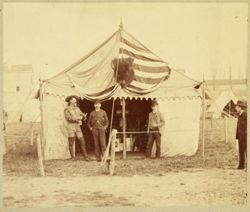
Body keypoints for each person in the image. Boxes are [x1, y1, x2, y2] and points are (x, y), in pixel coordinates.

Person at [64, 95, 89, 161]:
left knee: (82, 141)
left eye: (75, 99)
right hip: (71, 126)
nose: (74, 100)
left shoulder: (77, 108)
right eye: (73, 99)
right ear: (70, 101)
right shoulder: (67, 109)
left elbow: (83, 115)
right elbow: (68, 118)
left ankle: (86, 157)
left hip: (77, 127)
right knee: (71, 142)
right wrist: (78, 118)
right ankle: (73, 157)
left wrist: (84, 116)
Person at [235, 100, 247, 169]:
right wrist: (237, 137)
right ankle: (241, 166)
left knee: (247, 151)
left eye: (236, 106)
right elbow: (238, 127)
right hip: (240, 137)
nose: (236, 108)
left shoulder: (246, 114)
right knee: (241, 151)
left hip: (246, 137)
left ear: (240, 107)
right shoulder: (240, 115)